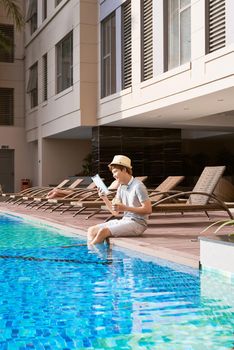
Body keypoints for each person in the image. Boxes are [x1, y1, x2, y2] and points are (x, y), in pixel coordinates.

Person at [87, 155, 152, 245]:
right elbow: (115, 213)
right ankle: (97, 251)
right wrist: (104, 198)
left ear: (124, 170)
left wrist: (125, 208)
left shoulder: (138, 186)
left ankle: (90, 251)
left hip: (138, 224)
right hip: (125, 220)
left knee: (103, 231)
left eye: (115, 172)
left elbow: (148, 209)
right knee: (91, 230)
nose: (113, 175)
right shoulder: (121, 187)